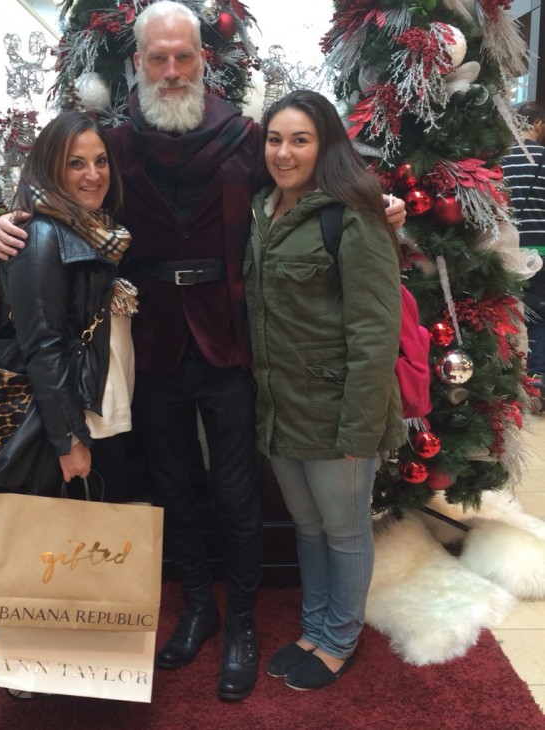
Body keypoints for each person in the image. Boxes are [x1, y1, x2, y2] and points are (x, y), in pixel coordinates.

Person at [0, 1, 406, 702]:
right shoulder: (116, 145)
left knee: (238, 490)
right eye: (159, 58)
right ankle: (199, 609)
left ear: (204, 60)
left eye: (185, 57)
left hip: (232, 340)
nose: (173, 70)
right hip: (150, 341)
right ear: (140, 64)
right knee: (172, 489)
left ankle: (243, 619)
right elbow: (70, 189)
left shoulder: (247, 137)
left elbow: (308, 181)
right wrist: (10, 219)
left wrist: (380, 206)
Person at [245, 89, 406, 691]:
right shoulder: (263, 210)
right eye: (275, 139)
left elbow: (375, 330)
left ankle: (340, 637)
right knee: (307, 527)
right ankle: (314, 626)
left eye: (300, 140)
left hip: (338, 409)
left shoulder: (352, 214)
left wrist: (360, 427)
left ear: (325, 145)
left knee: (344, 528)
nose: (284, 153)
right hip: (280, 407)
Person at [1, 110, 136, 511]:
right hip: (76, 421)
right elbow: (44, 345)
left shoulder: (98, 229)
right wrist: (69, 439)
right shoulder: (40, 235)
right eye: (75, 163)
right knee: (68, 551)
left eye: (100, 161)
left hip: (101, 410)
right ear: (50, 168)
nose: (92, 175)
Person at [501, 101, 545, 409]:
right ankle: (537, 382)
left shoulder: (499, 161)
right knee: (540, 317)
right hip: (542, 251)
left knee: (508, 314)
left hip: (507, 250)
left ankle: (508, 379)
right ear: (538, 123)